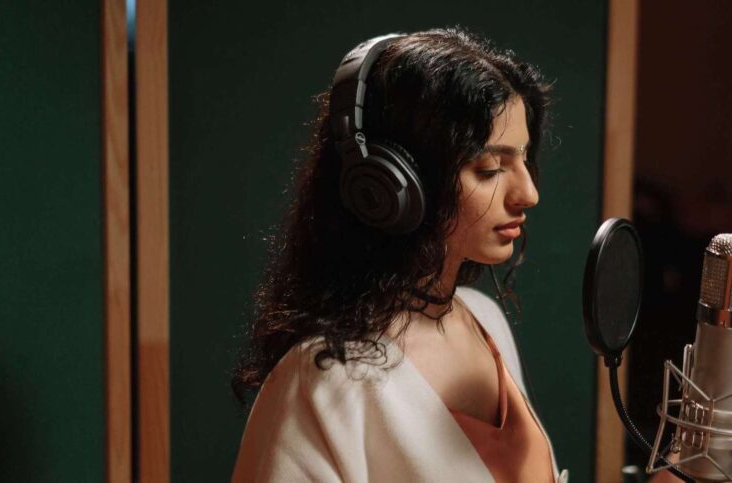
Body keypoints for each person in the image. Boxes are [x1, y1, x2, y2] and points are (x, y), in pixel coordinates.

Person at [230, 28, 567, 483]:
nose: (528, 193)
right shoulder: (325, 379)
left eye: (524, 159)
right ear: (393, 185)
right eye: (489, 168)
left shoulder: (487, 320)